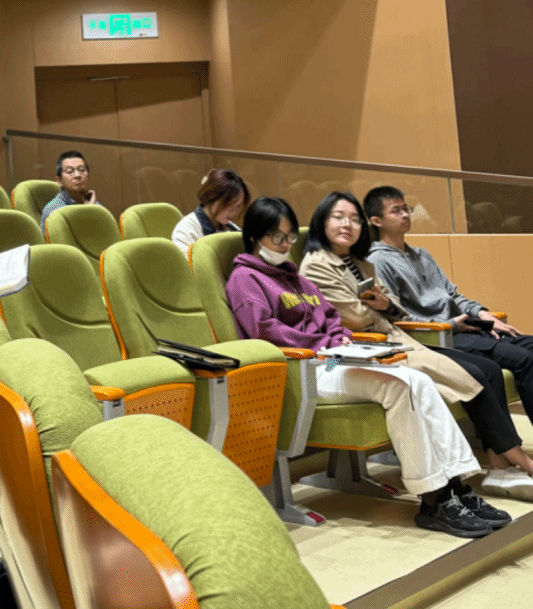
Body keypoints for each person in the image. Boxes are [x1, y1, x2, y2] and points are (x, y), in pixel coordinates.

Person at [227, 197, 508, 537]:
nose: (286, 244)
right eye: (277, 237)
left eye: (290, 236)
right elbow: (262, 331)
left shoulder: (294, 277)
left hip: (334, 358)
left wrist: (339, 338)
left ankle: (457, 486)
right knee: (398, 386)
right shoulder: (245, 279)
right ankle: (434, 498)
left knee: (417, 379)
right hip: (302, 368)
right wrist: (322, 343)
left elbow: (331, 316)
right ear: (254, 236)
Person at [299, 191, 533, 500]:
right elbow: (356, 317)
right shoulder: (317, 265)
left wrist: (385, 306)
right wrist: (383, 307)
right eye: (338, 217)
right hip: (359, 350)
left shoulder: (361, 263)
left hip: (396, 338)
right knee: (474, 374)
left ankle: (499, 465)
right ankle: (519, 463)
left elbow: (394, 307)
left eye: (354, 219)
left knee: (487, 369)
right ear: (322, 222)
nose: (347, 225)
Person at [366, 185, 533, 479]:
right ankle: (504, 455)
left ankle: (499, 454)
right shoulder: (377, 260)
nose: (405, 215)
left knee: (529, 344)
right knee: (523, 359)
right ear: (376, 220)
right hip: (439, 335)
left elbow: (454, 295)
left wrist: (482, 313)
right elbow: (396, 315)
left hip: (465, 325)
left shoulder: (422, 255)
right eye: (396, 211)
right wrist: (451, 324)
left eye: (406, 209)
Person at [171, 168, 249, 254]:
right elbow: (187, 262)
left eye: (238, 206)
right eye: (229, 204)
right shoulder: (186, 230)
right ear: (212, 197)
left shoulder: (232, 229)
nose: (234, 211)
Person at [40, 150, 98, 229]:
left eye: (82, 170)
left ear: (89, 176)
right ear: (59, 181)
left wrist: (92, 208)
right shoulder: (54, 210)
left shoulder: (94, 204)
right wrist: (89, 212)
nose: (77, 175)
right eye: (69, 171)